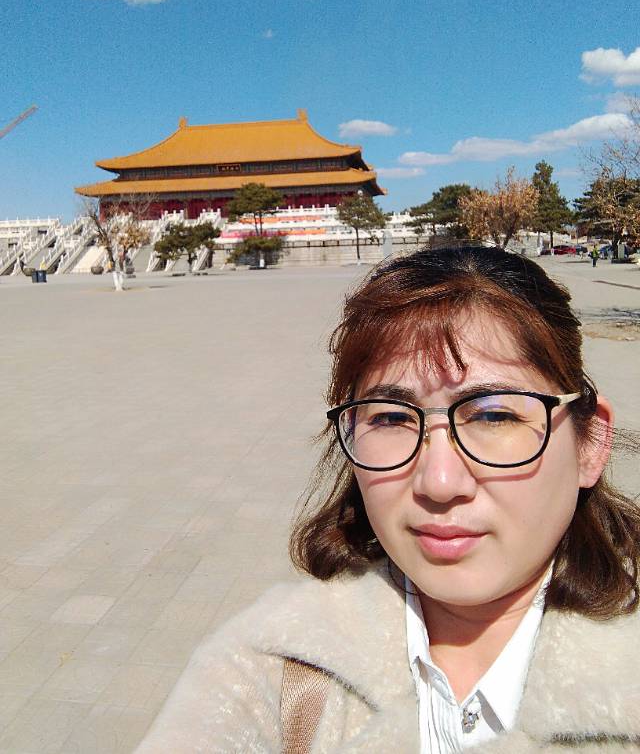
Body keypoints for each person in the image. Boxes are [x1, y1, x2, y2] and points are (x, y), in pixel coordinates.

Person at [136, 246, 640, 753]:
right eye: (392, 418)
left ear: (589, 444)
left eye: (494, 416)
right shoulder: (272, 669)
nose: (439, 483)